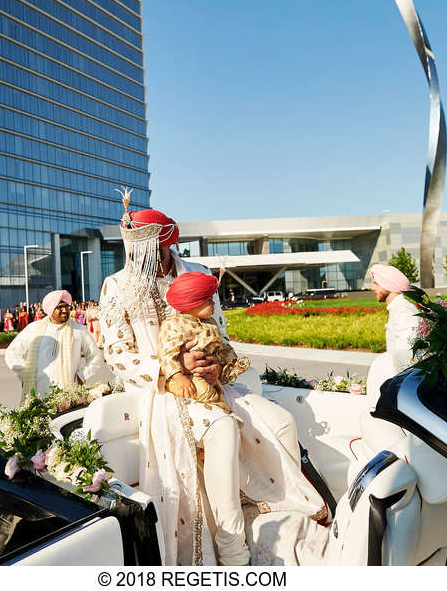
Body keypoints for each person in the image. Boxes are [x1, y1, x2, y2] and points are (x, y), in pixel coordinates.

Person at [99, 203, 327, 566]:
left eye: (141, 248)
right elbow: (117, 353)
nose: (134, 256)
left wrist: (213, 364)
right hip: (164, 393)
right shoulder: (117, 285)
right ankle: (232, 547)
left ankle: (281, 511)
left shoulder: (198, 273)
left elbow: (218, 332)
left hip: (213, 384)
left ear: (162, 242)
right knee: (222, 428)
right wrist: (171, 370)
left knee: (281, 420)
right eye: (130, 248)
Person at [159, 272, 250, 413]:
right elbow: (167, 355)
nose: (214, 304)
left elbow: (221, 346)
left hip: (210, 373)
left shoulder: (210, 323)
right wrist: (179, 376)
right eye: (208, 300)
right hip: (187, 377)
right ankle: (224, 412)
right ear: (191, 303)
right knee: (205, 391)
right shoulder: (174, 325)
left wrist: (230, 361)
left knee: (226, 379)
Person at [4, 289, 112, 403]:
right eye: (60, 307)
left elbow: (96, 356)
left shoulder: (79, 330)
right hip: (38, 392)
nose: (65, 310)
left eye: (67, 307)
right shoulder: (33, 328)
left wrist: (82, 375)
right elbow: (12, 352)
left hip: (69, 394)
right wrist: (25, 374)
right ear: (50, 309)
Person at [365, 264, 422, 409]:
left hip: (403, 393)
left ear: (388, 285)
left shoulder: (404, 311)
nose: (373, 288)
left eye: (376, 283)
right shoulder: (398, 309)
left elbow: (406, 357)